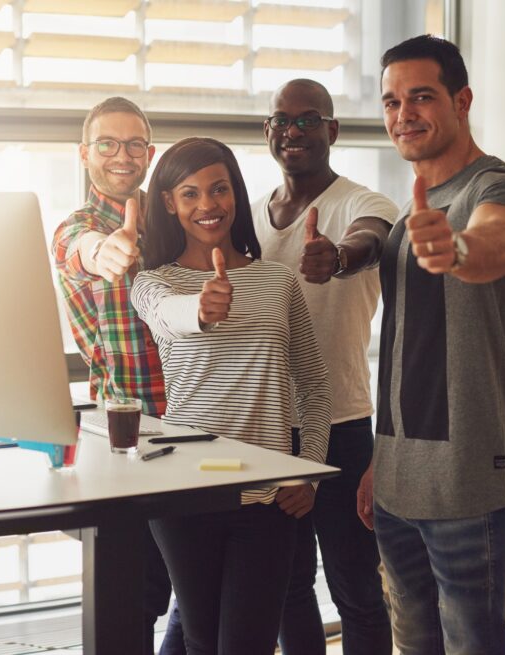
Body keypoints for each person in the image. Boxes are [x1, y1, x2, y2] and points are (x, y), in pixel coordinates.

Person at [357, 35, 505, 654]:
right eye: (390, 101)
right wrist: (381, 461)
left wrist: (458, 250)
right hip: (397, 483)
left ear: (461, 100)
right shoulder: (415, 209)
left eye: (421, 97)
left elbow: (503, 241)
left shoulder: (495, 189)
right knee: (412, 646)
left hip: (469, 485)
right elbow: (407, 352)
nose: (402, 114)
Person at [131, 137, 331, 655]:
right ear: (170, 203)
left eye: (218, 189)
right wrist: (201, 308)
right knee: (200, 639)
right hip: (184, 491)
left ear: (235, 195)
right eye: (190, 193)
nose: (207, 205)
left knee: (249, 645)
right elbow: (171, 316)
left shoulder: (276, 282)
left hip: (266, 495)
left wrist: (306, 471)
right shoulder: (153, 284)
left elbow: (313, 385)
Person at [252, 79, 396, 655]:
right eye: (281, 121)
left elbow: (374, 239)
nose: (293, 131)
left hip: (341, 428)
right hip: (267, 430)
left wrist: (337, 257)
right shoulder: (248, 220)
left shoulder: (362, 202)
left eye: (309, 120)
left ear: (333, 130)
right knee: (287, 588)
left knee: (357, 590)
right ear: (267, 132)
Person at [50, 96, 175, 654]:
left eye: (134, 144)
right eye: (107, 143)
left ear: (150, 153)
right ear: (85, 153)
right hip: (129, 438)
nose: (122, 156)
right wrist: (104, 251)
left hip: (201, 427)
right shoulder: (78, 226)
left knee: (195, 595)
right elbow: (77, 249)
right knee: (134, 600)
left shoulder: (174, 214)